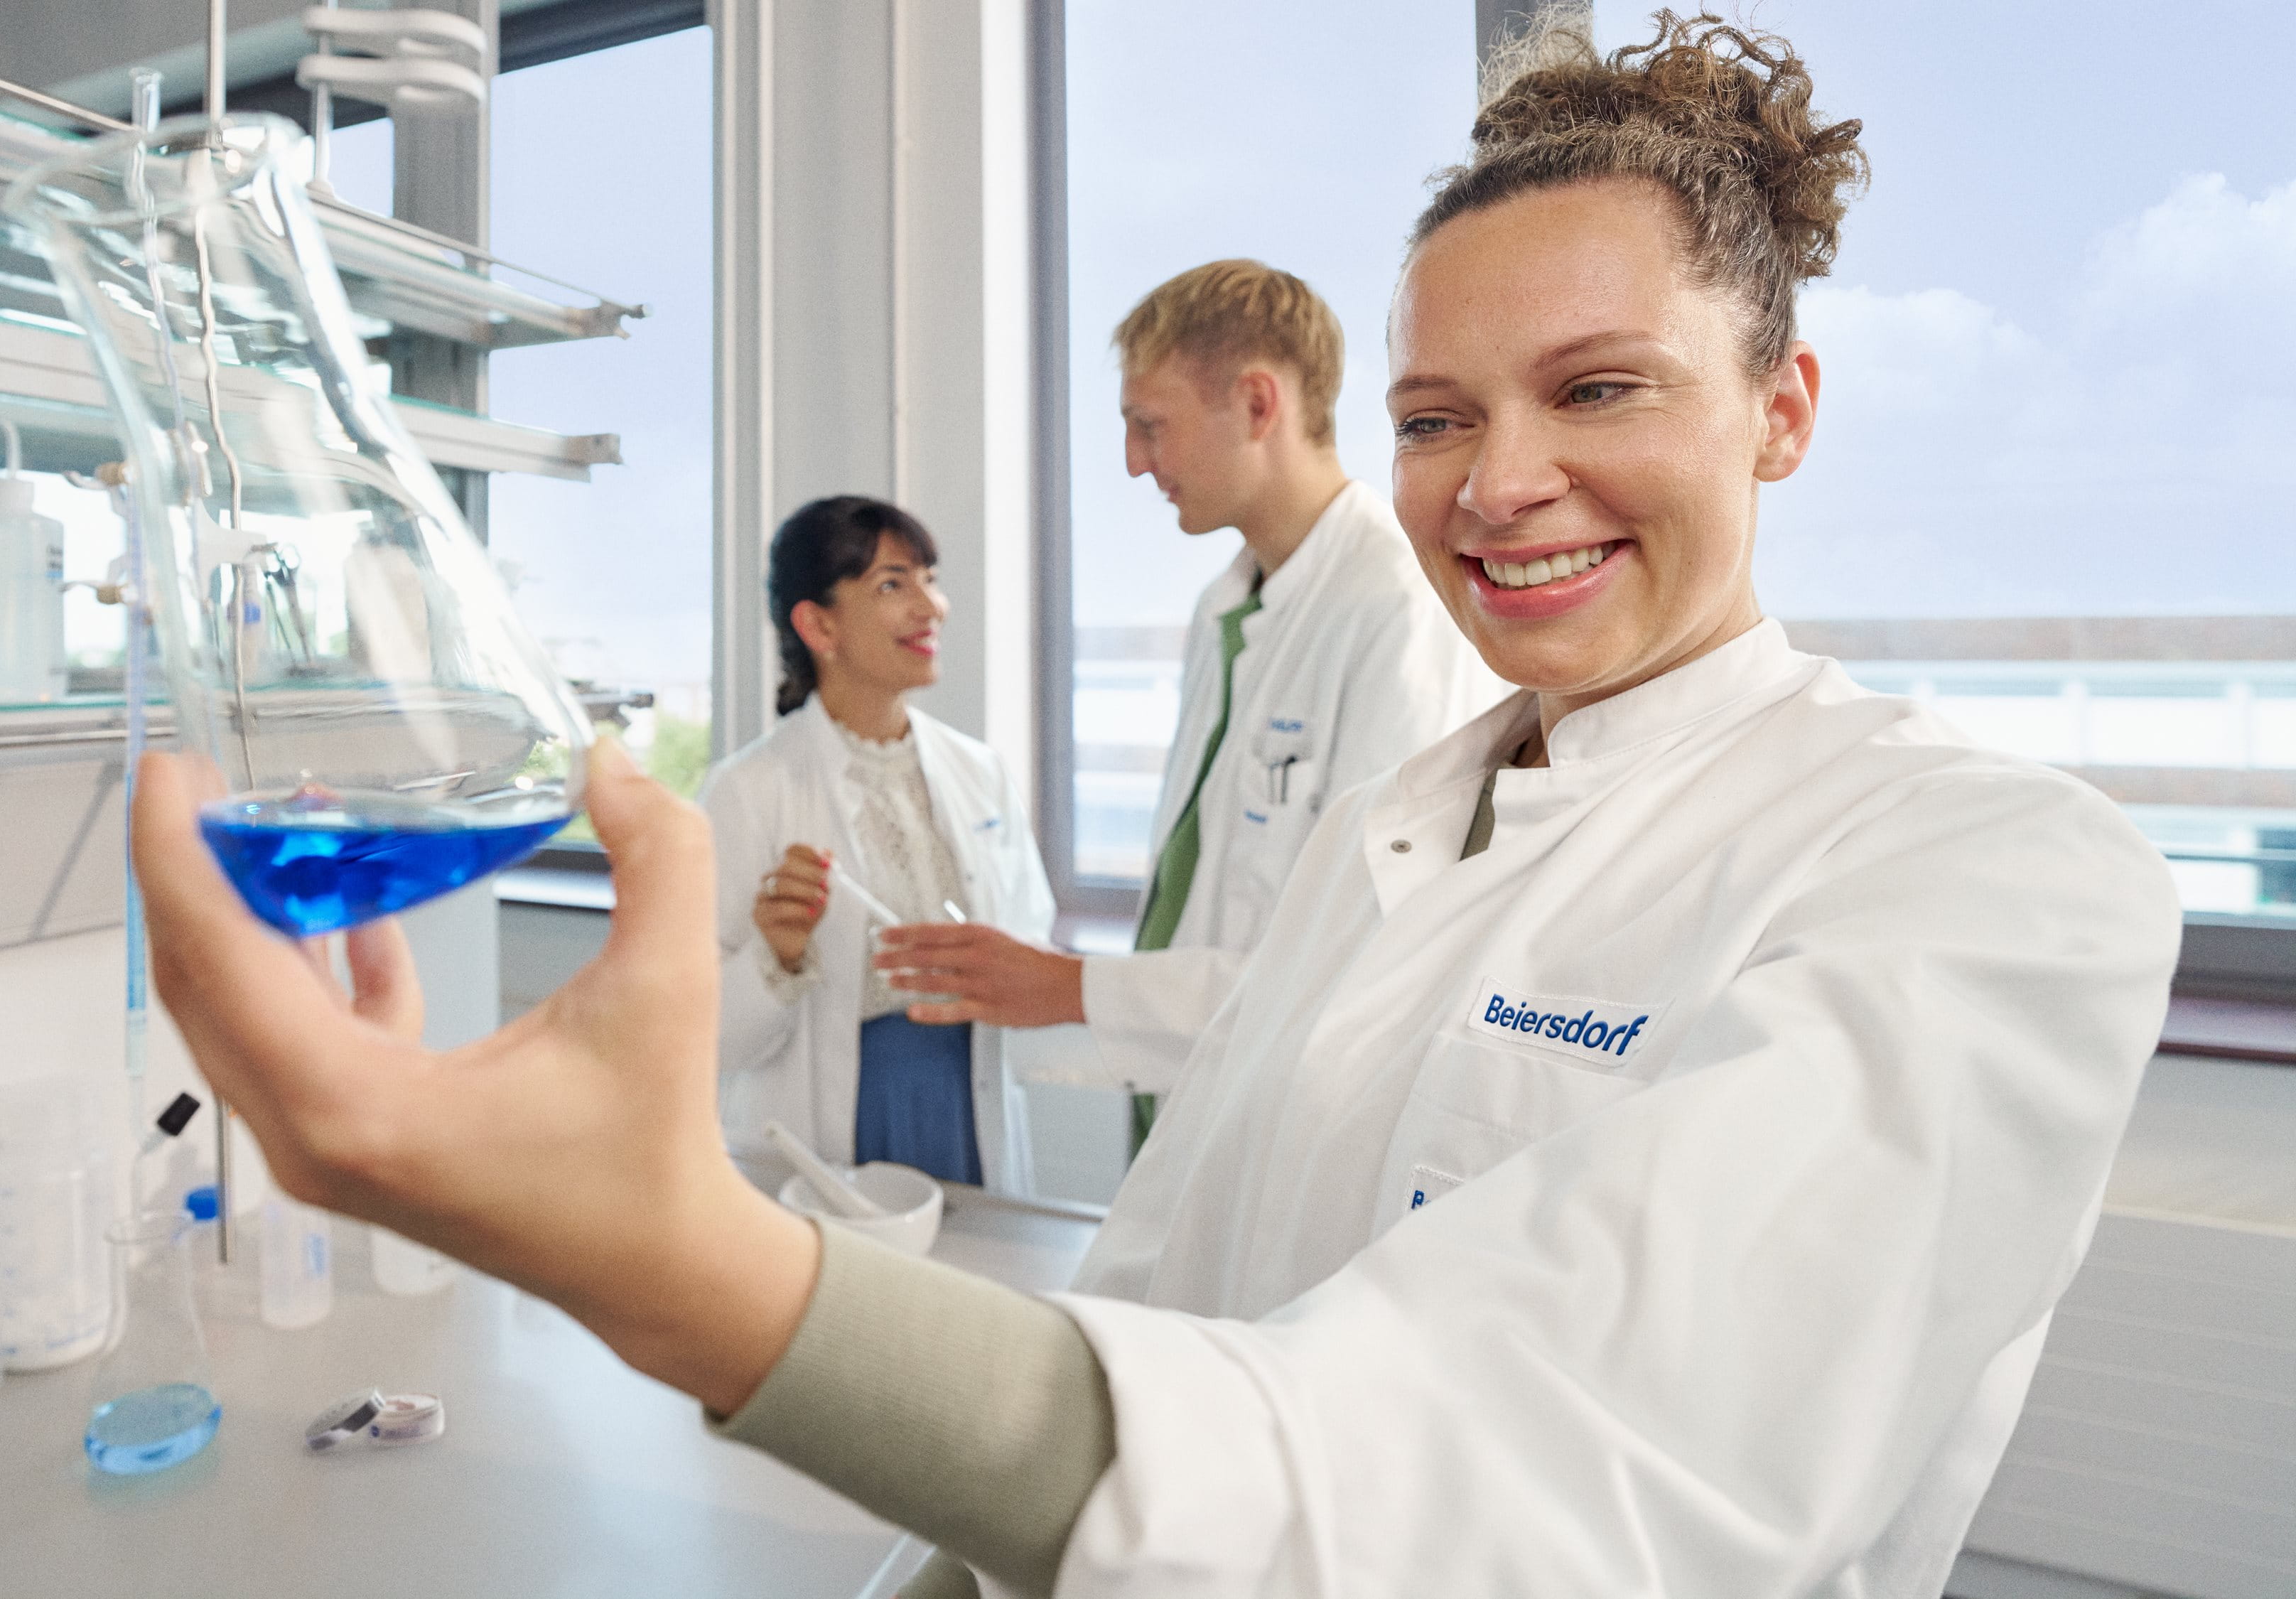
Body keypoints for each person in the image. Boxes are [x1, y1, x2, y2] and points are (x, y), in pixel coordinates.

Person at [127, 14, 2181, 1598]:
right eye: (1440, 417)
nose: (1494, 480)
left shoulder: (1994, 886)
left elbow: (1489, 1477)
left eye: (1603, 387)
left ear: (1786, 412)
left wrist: (679, 1267)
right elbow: (1173, 1297)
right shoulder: (1416, 823)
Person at [871, 260, 1501, 1127]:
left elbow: (1361, 960)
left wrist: (1070, 987)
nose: (1135, 463)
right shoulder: (1226, 608)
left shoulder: (1397, 609)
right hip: (1194, 1090)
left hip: (1293, 1119)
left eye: (1149, 426)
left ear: (1254, 403)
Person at [699, 495, 1056, 1192]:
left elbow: (1030, 939)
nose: (932, 607)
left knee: (974, 1291)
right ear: (817, 624)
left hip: (964, 1105)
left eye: (929, 578)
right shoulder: (747, 790)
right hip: (834, 1118)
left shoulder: (978, 773)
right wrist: (778, 953)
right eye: (892, 585)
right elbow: (709, 1038)